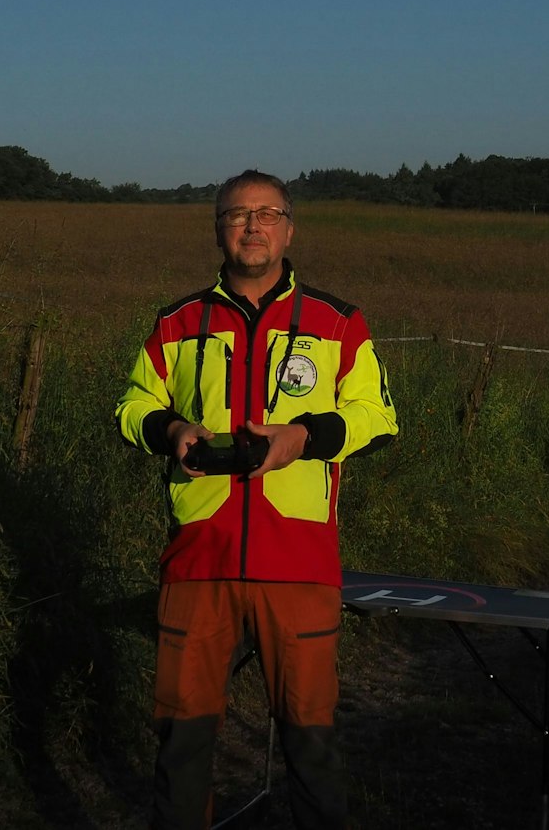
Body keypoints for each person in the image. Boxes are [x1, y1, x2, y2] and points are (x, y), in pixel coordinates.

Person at [115, 169, 398, 829]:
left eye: (266, 212)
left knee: (310, 741)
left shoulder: (338, 322)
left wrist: (302, 437)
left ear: (289, 228)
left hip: (297, 563)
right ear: (218, 228)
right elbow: (132, 405)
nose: (251, 225)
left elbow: (379, 417)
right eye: (237, 214)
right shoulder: (177, 322)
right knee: (182, 743)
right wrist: (171, 429)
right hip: (199, 558)